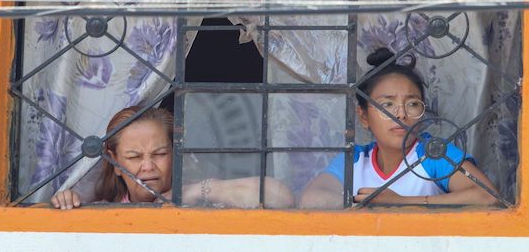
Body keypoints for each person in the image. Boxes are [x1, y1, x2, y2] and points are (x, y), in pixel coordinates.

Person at [298, 48, 501, 209]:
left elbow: (488, 196)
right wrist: (366, 205)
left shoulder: (432, 154)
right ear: (363, 116)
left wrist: (401, 203)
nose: (401, 114)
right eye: (387, 104)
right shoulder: (355, 160)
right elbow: (310, 200)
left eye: (412, 104)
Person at [51, 106, 295, 209]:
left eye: (160, 154)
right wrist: (68, 201)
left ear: (174, 153)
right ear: (114, 162)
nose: (148, 166)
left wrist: (189, 192)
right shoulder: (99, 211)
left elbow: (282, 199)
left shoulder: (204, 197)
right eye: (134, 157)